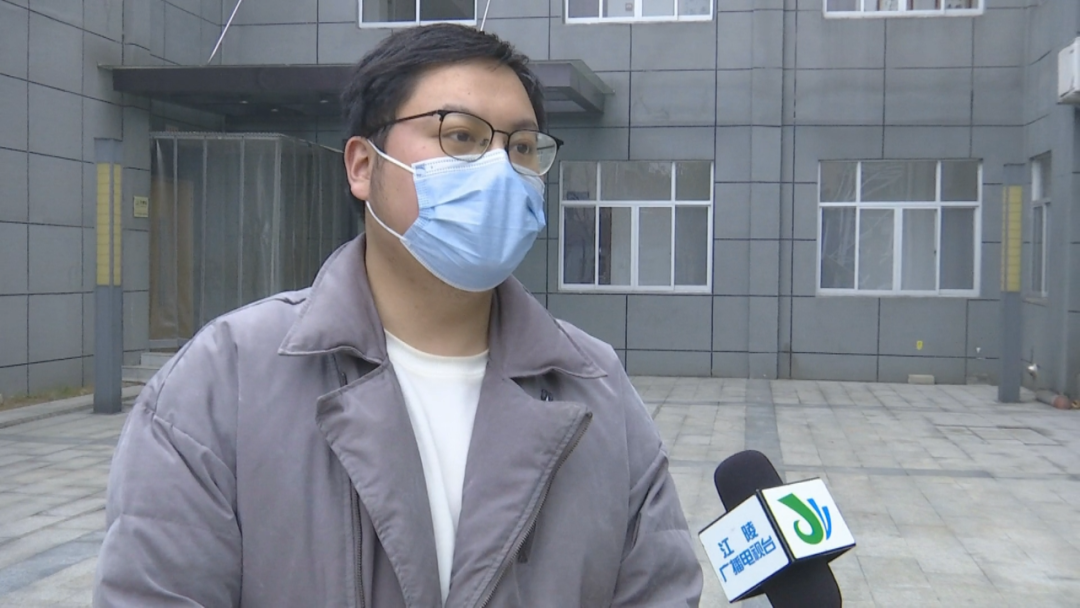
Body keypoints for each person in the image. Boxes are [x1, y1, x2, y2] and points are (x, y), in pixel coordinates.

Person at [94, 23, 703, 607]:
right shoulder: (224, 381)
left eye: (520, 147)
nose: (500, 169)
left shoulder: (597, 388)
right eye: (460, 136)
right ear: (363, 166)